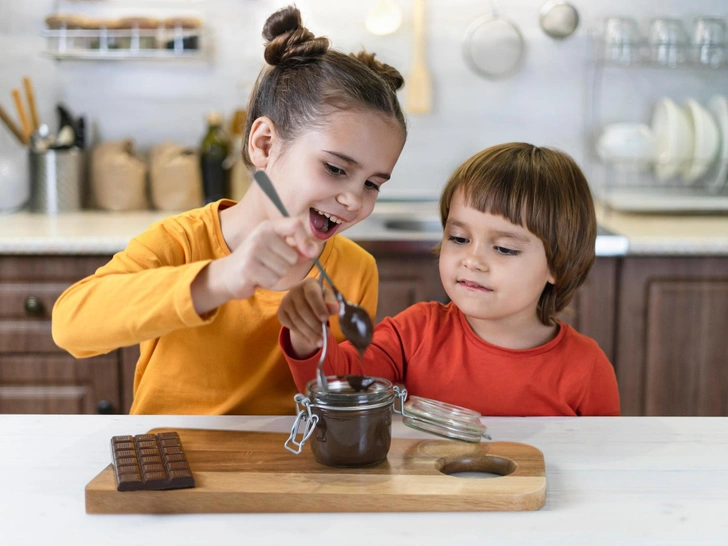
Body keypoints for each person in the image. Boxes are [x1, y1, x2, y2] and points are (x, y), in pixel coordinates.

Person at [51, 5, 407, 415]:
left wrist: (308, 342)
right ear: (265, 145)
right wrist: (220, 278)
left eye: (372, 184)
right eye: (335, 168)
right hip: (175, 460)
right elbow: (71, 325)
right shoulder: (181, 243)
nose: (354, 200)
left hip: (287, 468)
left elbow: (342, 399)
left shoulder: (354, 270)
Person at [279, 143, 621, 416]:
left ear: (557, 267)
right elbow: (340, 388)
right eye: (458, 239)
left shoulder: (587, 369)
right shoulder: (413, 334)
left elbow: (601, 468)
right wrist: (309, 337)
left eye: (503, 248)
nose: (472, 260)